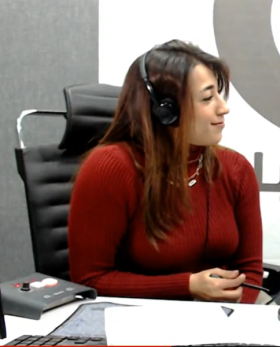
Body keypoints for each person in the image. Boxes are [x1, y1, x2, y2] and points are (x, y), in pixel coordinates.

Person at [68, 40, 265, 304]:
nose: (223, 107)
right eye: (207, 98)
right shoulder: (110, 167)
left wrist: (234, 315)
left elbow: (250, 271)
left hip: (221, 318)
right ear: (165, 111)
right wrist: (187, 286)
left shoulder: (236, 169)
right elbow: (89, 279)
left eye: (219, 94)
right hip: (132, 318)